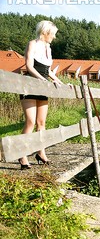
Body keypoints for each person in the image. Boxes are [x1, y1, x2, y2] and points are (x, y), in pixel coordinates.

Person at [18, 20, 64, 169]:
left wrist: (59, 81)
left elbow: (48, 70)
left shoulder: (48, 48)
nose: (54, 37)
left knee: (41, 123)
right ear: (46, 32)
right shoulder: (32, 44)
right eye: (53, 34)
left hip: (43, 88)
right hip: (30, 86)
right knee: (30, 122)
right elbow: (29, 66)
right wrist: (43, 80)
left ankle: (40, 152)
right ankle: (22, 154)